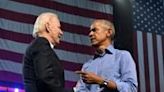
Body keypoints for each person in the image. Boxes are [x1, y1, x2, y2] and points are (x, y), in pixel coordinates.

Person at [74, 19, 138, 92]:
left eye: (94, 30)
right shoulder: (87, 66)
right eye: (90, 31)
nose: (90, 34)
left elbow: (131, 88)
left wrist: (102, 81)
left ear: (108, 32)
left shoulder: (122, 56)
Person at [23, 12, 64, 92]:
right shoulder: (41, 44)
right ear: (48, 27)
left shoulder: (40, 46)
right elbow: (45, 78)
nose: (61, 32)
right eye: (59, 27)